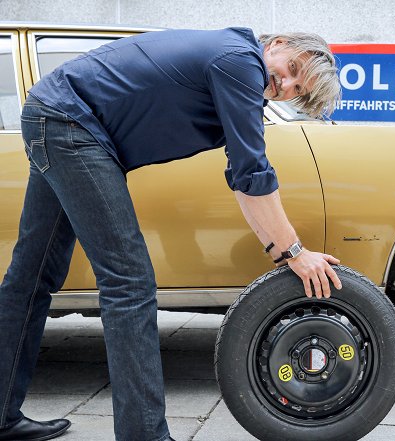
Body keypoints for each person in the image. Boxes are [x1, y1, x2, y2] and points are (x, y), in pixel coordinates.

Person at [0, 27, 342, 441]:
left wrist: (284, 250)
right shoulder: (240, 61)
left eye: (296, 89)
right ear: (277, 46)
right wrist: (293, 251)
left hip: (58, 117)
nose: (284, 85)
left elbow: (243, 179)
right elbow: (252, 171)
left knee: (31, 277)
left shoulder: (234, 65)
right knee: (129, 282)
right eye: (290, 70)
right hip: (72, 123)